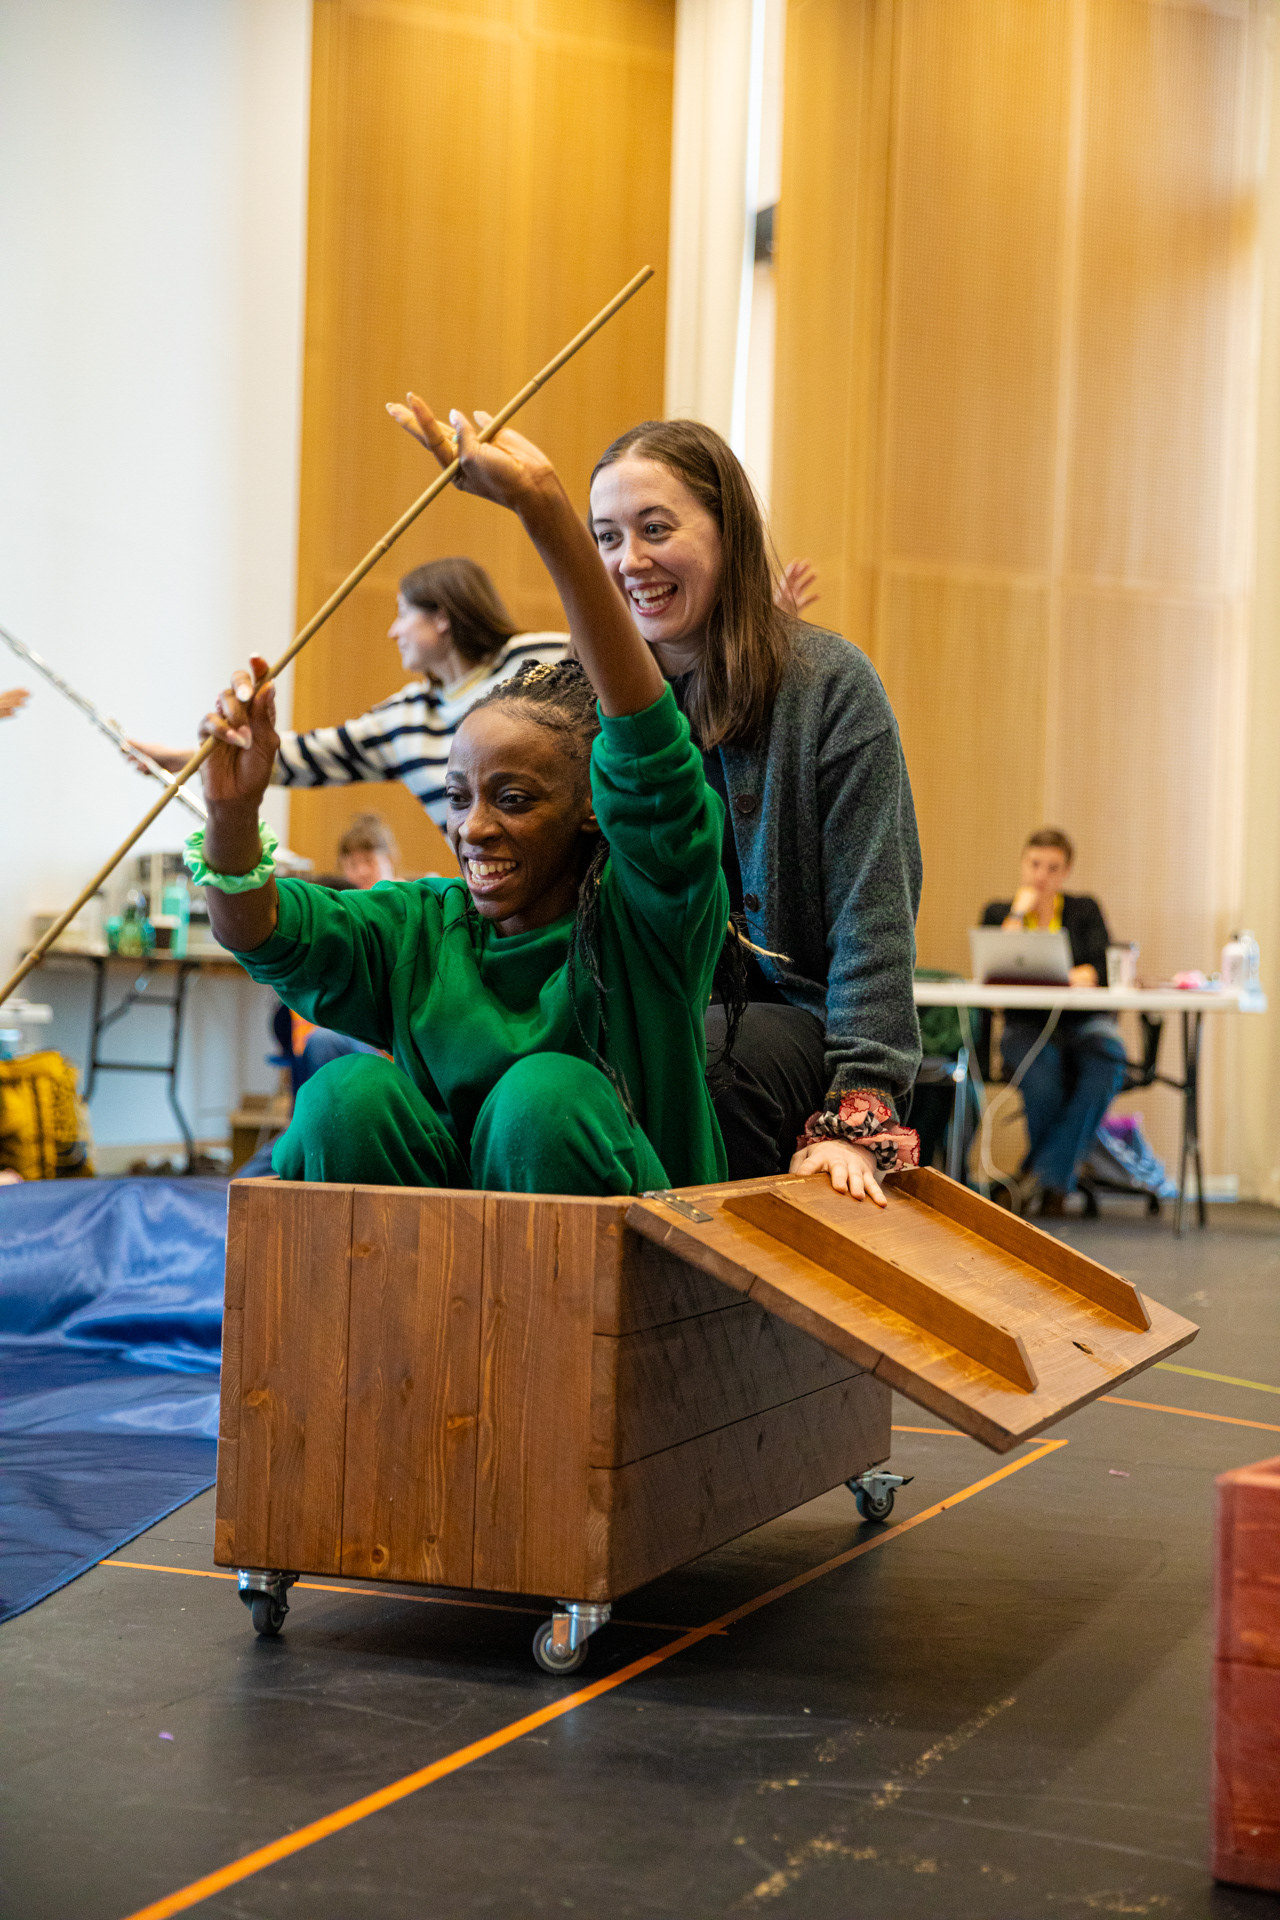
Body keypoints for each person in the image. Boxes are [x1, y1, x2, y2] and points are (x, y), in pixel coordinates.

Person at [192, 411, 754, 1197]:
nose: (474, 827)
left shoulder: (649, 919)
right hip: (446, 1287)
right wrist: (228, 818)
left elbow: (647, 739)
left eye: (514, 799)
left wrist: (545, 509)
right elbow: (260, 930)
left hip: (636, 1289)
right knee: (341, 1099)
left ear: (595, 804)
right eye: (458, 798)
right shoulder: (423, 929)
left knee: (541, 1103)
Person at [390, 401, 923, 1197]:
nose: (629, 560)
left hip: (777, 1024)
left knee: (706, 1059)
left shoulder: (832, 688)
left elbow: (871, 920)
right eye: (605, 537)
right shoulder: (569, 699)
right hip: (615, 1000)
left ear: (728, 533)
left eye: (656, 529)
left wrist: (860, 1110)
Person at [981, 827, 1126, 1215]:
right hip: (1025, 1027)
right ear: (1022, 864)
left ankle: (1040, 1174)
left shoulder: (1083, 910)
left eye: (1052, 867)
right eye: (1034, 864)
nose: (1041, 875)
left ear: (1065, 872)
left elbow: (1100, 969)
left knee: (1108, 1058)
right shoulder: (999, 912)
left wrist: (1080, 974)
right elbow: (994, 968)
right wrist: (1019, 912)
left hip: (1083, 1023)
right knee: (1041, 1072)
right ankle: (1055, 1182)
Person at [336, 811, 399, 889]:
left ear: (389, 859)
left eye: (369, 860)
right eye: (353, 865)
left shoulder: (408, 897)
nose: (362, 872)